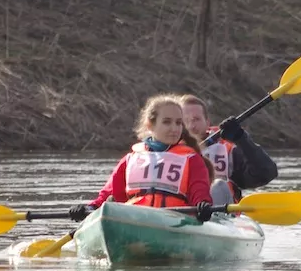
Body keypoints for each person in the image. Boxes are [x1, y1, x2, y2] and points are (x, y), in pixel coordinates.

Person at [69, 94, 214, 223]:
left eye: (178, 123)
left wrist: (203, 205)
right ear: (150, 125)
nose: (174, 129)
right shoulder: (131, 159)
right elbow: (108, 195)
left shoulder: (191, 159)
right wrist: (88, 208)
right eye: (167, 122)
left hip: (176, 221)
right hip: (135, 220)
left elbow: (199, 192)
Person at [179, 94, 278, 207]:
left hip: (219, 215)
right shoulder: (164, 151)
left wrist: (241, 139)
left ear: (207, 122)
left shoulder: (228, 152)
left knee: (218, 186)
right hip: (178, 213)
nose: (191, 126)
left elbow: (266, 174)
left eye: (196, 119)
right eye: (185, 121)